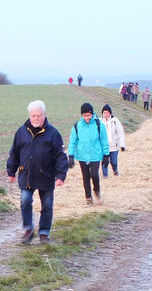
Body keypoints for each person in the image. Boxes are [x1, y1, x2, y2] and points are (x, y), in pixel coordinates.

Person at [6, 100, 68, 244]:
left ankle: (44, 233)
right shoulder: (21, 132)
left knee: (47, 205)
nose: (35, 118)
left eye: (38, 115)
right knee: (25, 200)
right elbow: (14, 153)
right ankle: (28, 229)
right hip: (26, 175)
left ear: (44, 115)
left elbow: (60, 156)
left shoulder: (53, 133)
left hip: (46, 175)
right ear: (29, 115)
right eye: (33, 115)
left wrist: (61, 175)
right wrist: (11, 171)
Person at [67, 102, 108, 205]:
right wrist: (71, 156)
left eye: (88, 115)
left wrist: (106, 155)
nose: (87, 117)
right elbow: (72, 142)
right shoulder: (77, 126)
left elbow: (104, 140)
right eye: (84, 115)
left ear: (92, 114)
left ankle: (97, 192)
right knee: (85, 177)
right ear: (81, 115)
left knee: (94, 175)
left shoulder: (99, 125)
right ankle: (88, 198)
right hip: (82, 156)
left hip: (95, 155)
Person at [99, 104, 126, 177]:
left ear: (110, 113)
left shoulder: (115, 121)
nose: (105, 114)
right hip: (104, 146)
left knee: (113, 161)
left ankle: (115, 170)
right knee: (105, 161)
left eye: (107, 113)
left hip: (114, 146)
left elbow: (120, 133)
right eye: (104, 113)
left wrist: (122, 145)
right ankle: (105, 175)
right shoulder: (99, 122)